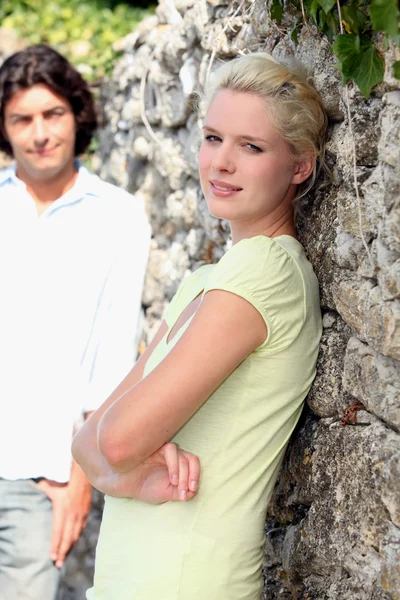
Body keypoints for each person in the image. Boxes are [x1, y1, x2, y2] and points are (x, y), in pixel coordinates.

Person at [72, 52, 328, 600]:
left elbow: (113, 440)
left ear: (300, 165)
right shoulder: (206, 280)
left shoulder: (267, 272)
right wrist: (128, 472)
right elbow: (86, 442)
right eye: (213, 138)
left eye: (251, 147)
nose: (221, 163)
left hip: (186, 582)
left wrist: (121, 463)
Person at [0, 44, 150, 600]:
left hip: (41, 475)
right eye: (22, 119)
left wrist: (79, 476)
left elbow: (114, 357)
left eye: (52, 114)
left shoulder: (118, 216)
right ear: (5, 127)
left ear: (76, 115)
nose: (39, 133)